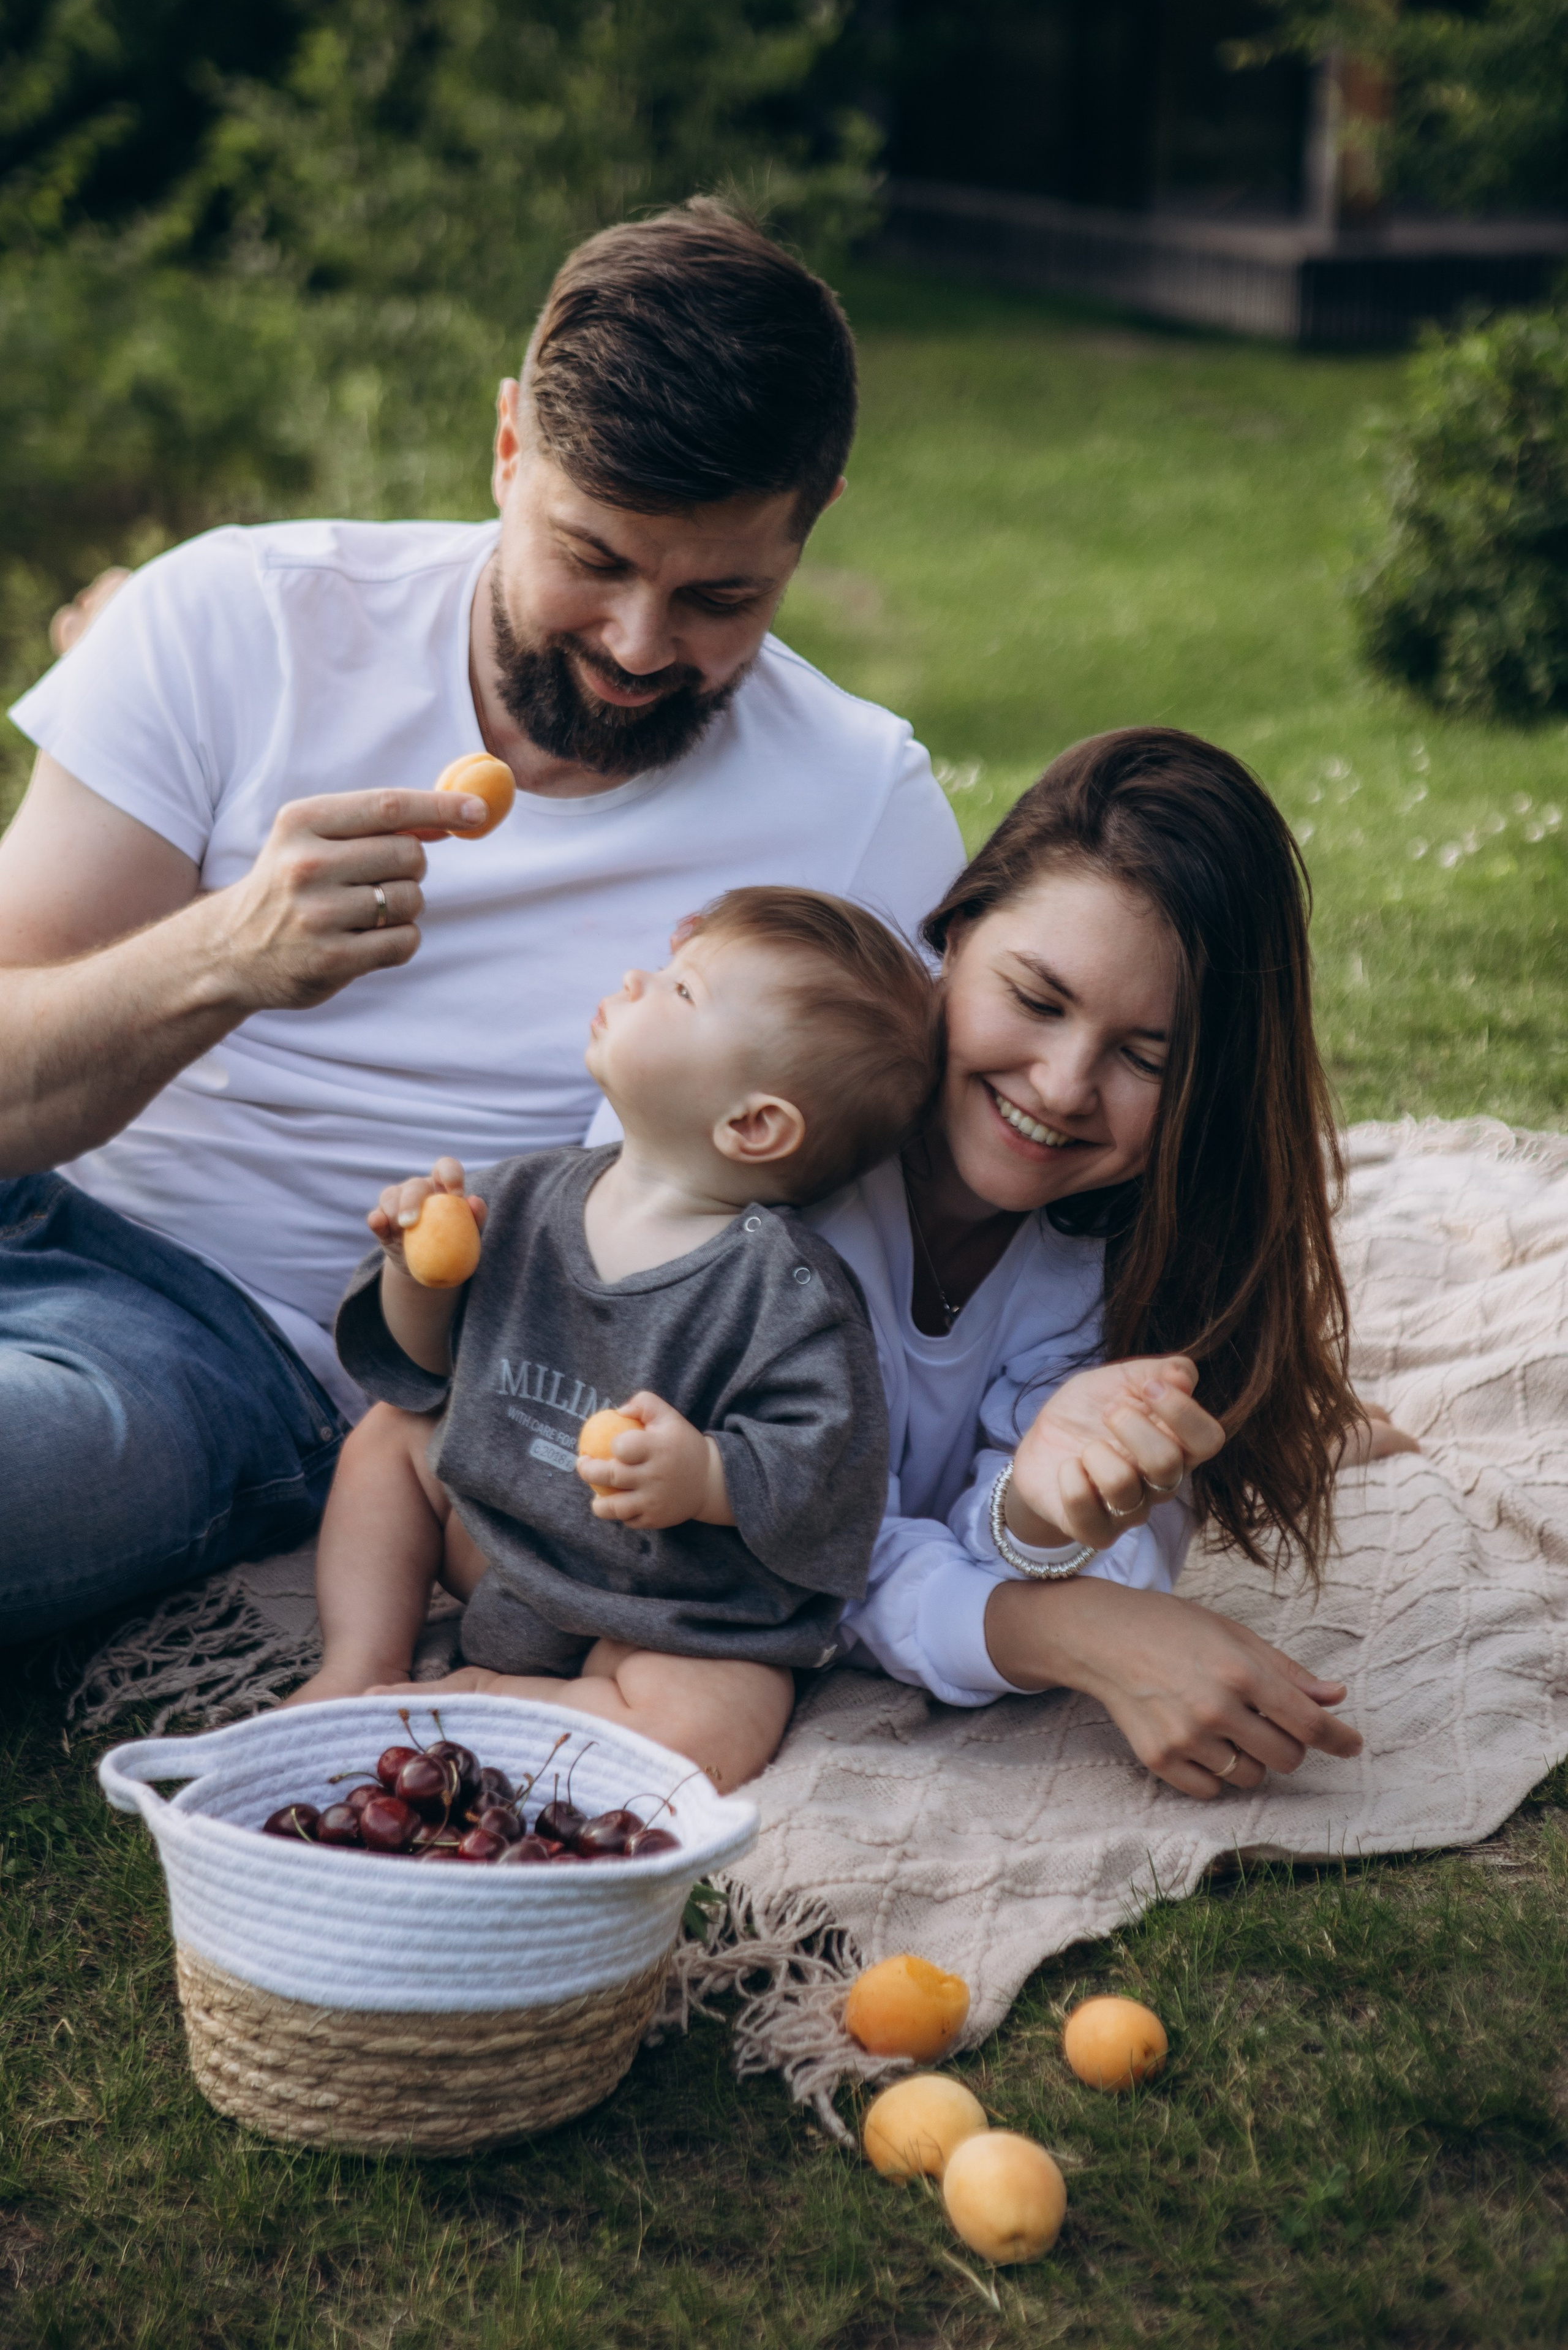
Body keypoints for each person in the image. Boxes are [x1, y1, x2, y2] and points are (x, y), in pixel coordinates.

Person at [0, 201, 960, 1642]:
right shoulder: (235, 619)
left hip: (223, 1344)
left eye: (719, 595)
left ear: (811, 519)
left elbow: (964, 1190)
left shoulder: (854, 809)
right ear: (509, 447)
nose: (642, 647)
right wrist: (226, 954)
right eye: (592, 558)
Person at [807, 726, 1418, 1800]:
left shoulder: (1154, 1258)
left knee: (1234, 1427)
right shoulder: (783, 1128)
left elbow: (1105, 1555)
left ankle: (1306, 1423)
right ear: (951, 934)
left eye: (1147, 1057)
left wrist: (1042, 1512)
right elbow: (785, 1551)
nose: (1061, 1085)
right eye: (1036, 1000)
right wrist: (1084, 1634)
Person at [288, 890, 937, 1791]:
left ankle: (485, 1701)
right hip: (507, 1546)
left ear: (753, 1124)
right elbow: (425, 1371)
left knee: (714, 1724)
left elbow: (828, 1470)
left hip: (671, 1611)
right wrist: (415, 1274)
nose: (637, 977)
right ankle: (359, 1661)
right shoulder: (517, 1198)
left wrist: (708, 1476)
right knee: (392, 1442)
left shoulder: (786, 1289)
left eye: (681, 992)